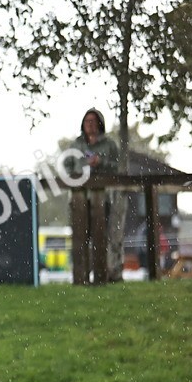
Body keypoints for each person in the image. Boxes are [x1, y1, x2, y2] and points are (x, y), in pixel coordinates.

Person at [67, 108, 123, 281]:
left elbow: (116, 167)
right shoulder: (76, 145)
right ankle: (80, 277)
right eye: (87, 121)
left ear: (99, 123)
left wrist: (101, 162)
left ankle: (102, 276)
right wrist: (77, 173)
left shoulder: (109, 144)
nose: (90, 124)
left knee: (100, 236)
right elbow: (67, 166)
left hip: (102, 197)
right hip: (79, 198)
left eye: (93, 121)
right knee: (80, 237)